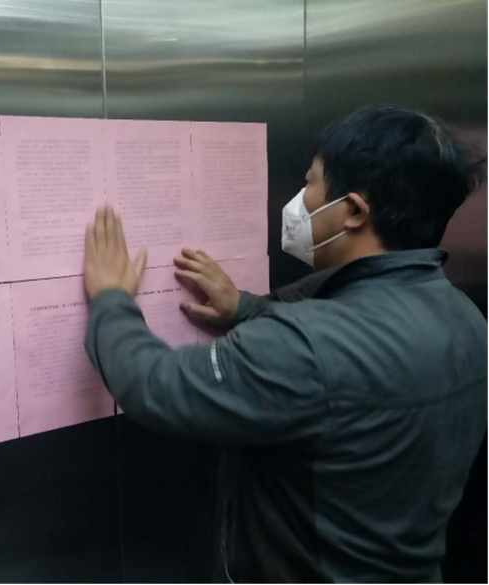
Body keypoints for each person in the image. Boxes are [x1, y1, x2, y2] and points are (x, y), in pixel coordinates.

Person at [83, 105, 488, 584]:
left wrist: (111, 299)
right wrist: (245, 309)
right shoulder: (465, 318)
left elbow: (155, 385)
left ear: (353, 211)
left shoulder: (307, 344)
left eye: (310, 183)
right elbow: (348, 366)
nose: (299, 199)